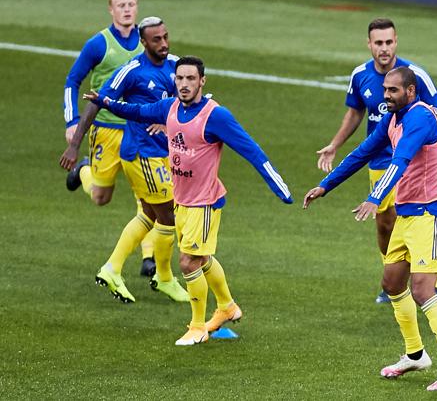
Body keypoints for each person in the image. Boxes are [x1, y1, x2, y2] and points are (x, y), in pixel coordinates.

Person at [85, 56, 293, 346]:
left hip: (204, 202)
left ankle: (197, 327)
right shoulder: (170, 107)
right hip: (182, 199)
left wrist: (278, 186)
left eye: (190, 79)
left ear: (202, 81)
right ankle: (227, 307)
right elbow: (139, 111)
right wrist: (106, 103)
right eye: (180, 79)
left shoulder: (215, 116)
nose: (184, 84)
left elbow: (252, 150)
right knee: (202, 259)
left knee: (188, 262)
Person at [304, 67, 437, 391]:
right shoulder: (392, 119)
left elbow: (402, 160)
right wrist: (326, 186)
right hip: (408, 215)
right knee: (393, 283)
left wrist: (374, 197)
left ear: (410, 91)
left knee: (424, 289)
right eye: (385, 90)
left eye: (393, 91)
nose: (386, 96)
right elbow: (362, 153)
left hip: (431, 215)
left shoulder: (421, 118)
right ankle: (415, 354)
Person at [314, 18, 437, 304]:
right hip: (379, 158)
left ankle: (434, 281)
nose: (384, 48)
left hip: (413, 160)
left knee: (421, 216)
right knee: (385, 224)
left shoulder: (412, 75)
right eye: (378, 43)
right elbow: (355, 114)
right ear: (369, 44)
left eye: (389, 42)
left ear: (396, 42)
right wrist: (335, 145)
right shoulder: (360, 76)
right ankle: (393, 279)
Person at [60, 17, 187, 304]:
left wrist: (170, 125)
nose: (164, 43)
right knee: (169, 216)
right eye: (157, 39)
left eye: (166, 37)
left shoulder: (177, 66)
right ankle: (164, 278)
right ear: (144, 42)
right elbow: (97, 101)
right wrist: (75, 144)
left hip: (162, 152)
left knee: (150, 215)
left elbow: (189, 100)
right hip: (141, 153)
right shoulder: (131, 71)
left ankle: (112, 269)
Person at [61, 0, 160, 277]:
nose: (127, 10)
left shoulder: (148, 41)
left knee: (151, 196)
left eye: (131, 5)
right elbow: (72, 82)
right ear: (111, 9)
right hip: (106, 129)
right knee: (101, 198)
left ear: (137, 7)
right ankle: (83, 171)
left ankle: (149, 257)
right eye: (121, 5)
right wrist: (72, 120)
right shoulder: (99, 44)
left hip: (141, 132)